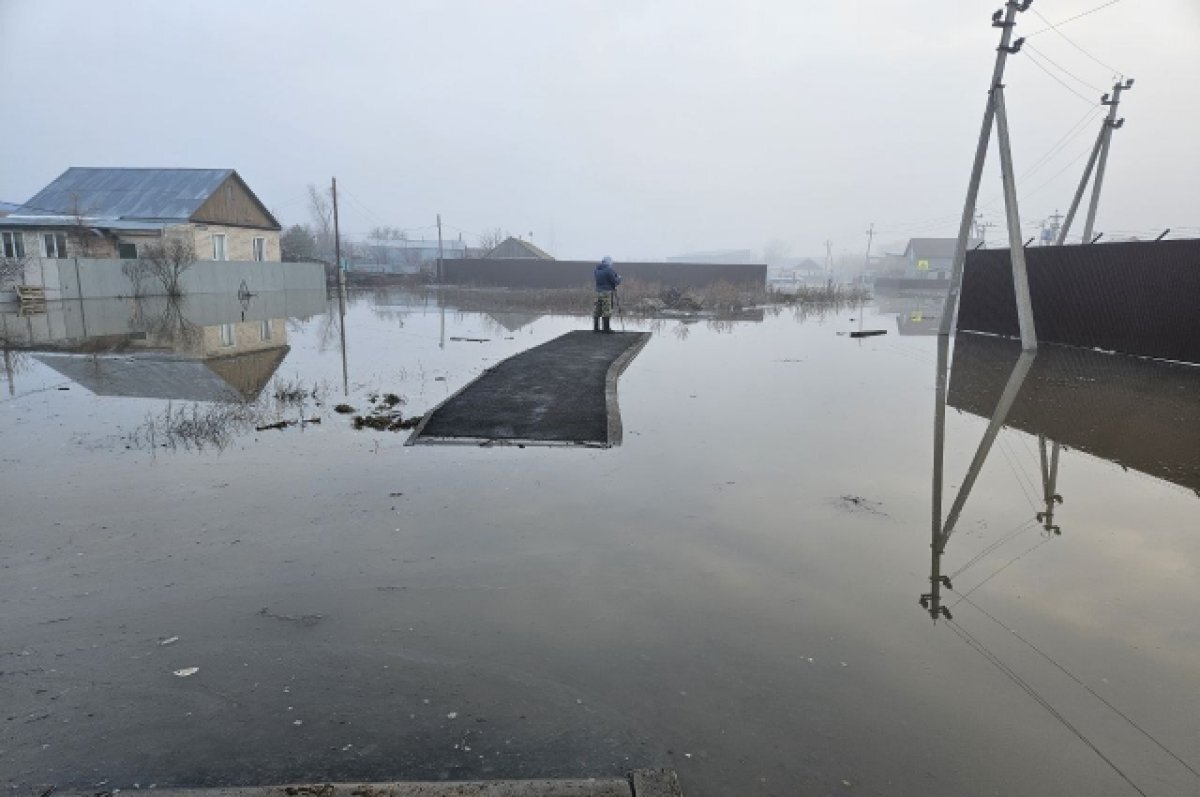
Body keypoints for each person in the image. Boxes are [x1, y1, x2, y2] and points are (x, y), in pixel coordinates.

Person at [593, 256, 621, 333]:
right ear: (609, 262)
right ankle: (606, 329)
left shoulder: (596, 270)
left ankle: (596, 328)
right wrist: (619, 278)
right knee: (606, 310)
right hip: (606, 292)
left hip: (597, 292)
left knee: (597, 309)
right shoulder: (609, 270)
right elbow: (614, 281)